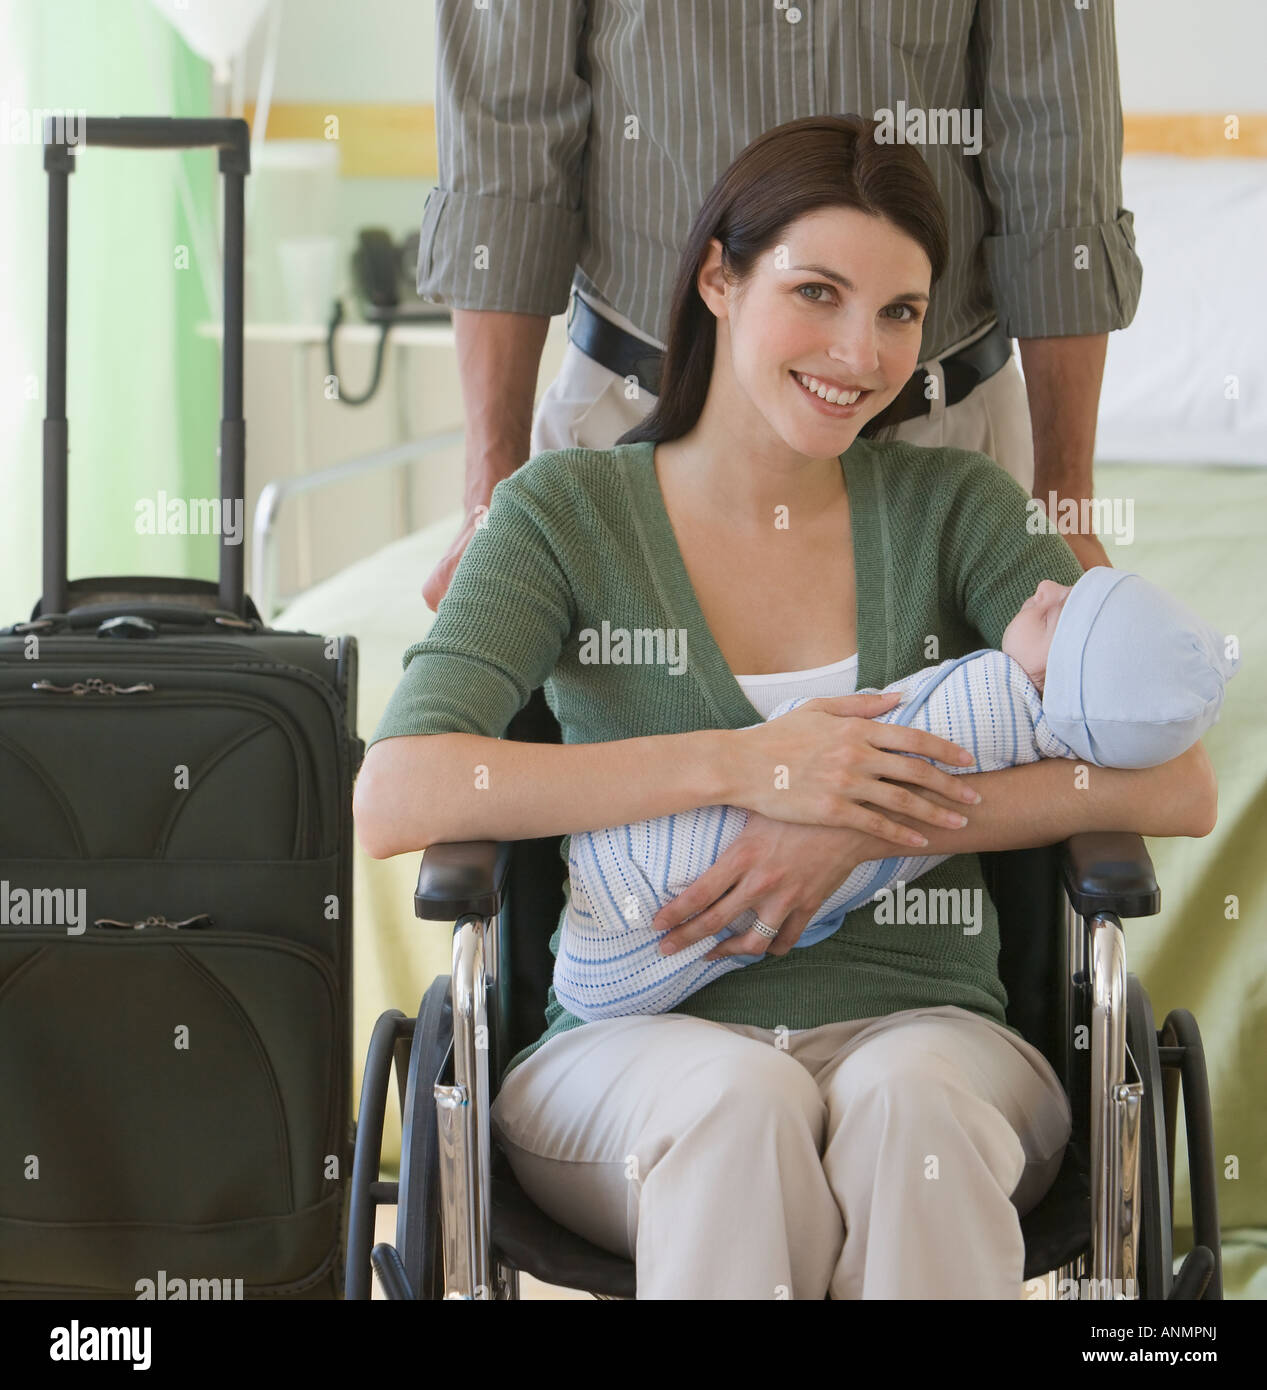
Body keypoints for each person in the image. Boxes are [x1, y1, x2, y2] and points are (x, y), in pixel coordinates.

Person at [354, 117, 1215, 1299]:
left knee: (909, 1110)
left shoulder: (954, 505)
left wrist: (861, 820)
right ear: (719, 275)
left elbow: (1174, 777)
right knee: (739, 1102)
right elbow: (397, 790)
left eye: (901, 313)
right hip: (626, 1060)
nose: (860, 353)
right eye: (817, 292)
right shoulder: (562, 514)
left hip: (934, 1037)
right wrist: (746, 766)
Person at [417, 0, 1143, 610]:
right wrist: (490, 491)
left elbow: (1058, 147)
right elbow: (502, 154)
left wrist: (1064, 495)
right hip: (629, 429)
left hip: (936, 441)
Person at [555, 568, 1239, 1021]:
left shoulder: (1002, 698)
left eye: (1065, 609)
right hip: (659, 1047)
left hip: (917, 1028)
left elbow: (1189, 793)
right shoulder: (1032, 693)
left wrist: (856, 824)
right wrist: (749, 766)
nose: (1045, 584)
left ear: (1060, 677)